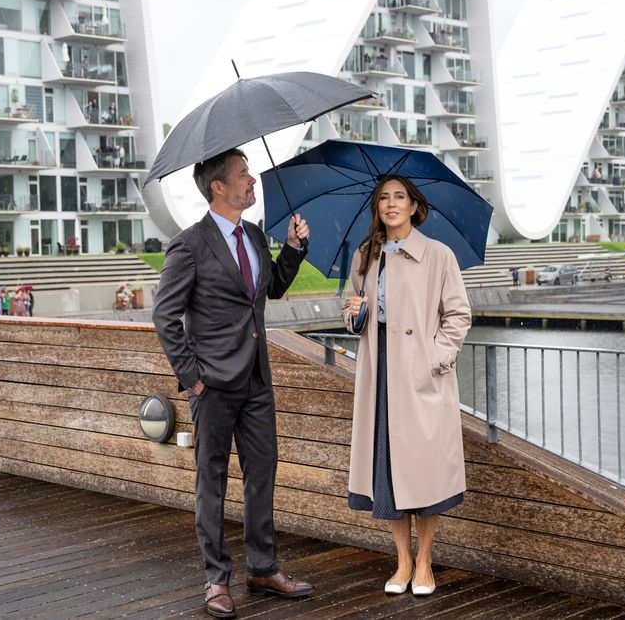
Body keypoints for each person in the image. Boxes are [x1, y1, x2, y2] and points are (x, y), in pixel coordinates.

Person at [152, 147, 313, 617]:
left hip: (257, 379)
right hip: (214, 386)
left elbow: (272, 289)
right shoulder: (188, 245)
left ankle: (263, 568)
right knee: (212, 481)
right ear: (218, 187)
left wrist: (295, 249)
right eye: (244, 174)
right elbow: (165, 317)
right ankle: (216, 579)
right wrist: (193, 378)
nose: (253, 179)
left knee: (262, 474)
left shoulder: (257, 236)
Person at [341, 175, 471, 597]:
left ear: (415, 206)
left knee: (425, 476)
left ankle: (425, 562)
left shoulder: (438, 255)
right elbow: (350, 315)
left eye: (400, 197)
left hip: (421, 379)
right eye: (384, 198)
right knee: (389, 475)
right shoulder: (365, 255)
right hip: (380, 376)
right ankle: (401, 562)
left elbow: (458, 316)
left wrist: (435, 356)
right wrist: (355, 311)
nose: (391, 204)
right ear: (377, 207)